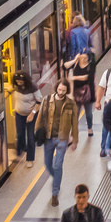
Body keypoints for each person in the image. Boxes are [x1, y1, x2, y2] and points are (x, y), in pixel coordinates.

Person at [38, 79, 79, 207]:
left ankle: (55, 193)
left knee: (58, 165)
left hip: (62, 138)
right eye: (59, 90)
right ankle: (57, 178)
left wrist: (75, 140)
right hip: (48, 137)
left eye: (64, 91)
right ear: (56, 88)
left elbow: (75, 123)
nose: (61, 92)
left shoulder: (71, 104)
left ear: (67, 91)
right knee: (47, 164)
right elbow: (40, 117)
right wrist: (36, 133)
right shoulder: (46, 100)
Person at [64, 19, 95, 139]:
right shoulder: (86, 31)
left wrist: (73, 77)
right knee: (77, 112)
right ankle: (75, 131)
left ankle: (89, 128)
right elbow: (66, 65)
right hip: (77, 91)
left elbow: (72, 46)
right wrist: (74, 59)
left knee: (86, 112)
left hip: (86, 91)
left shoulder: (73, 33)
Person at [11, 74, 41, 168]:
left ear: (25, 80)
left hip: (30, 115)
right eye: (17, 81)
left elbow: (39, 101)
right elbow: (13, 90)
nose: (19, 83)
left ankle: (30, 159)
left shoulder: (33, 87)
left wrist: (32, 114)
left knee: (30, 136)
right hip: (19, 114)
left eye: (21, 81)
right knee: (20, 134)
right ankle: (19, 152)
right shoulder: (16, 86)